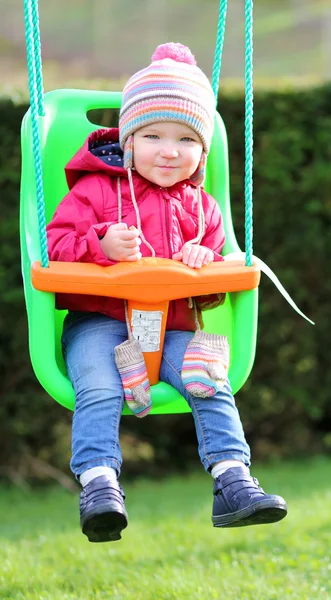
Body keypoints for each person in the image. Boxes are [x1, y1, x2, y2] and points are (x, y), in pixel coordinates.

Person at [47, 42, 287, 543]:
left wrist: (205, 267)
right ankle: (99, 484)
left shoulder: (205, 210)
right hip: (100, 321)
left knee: (209, 380)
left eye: (186, 139)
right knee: (97, 384)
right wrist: (99, 244)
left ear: (203, 151)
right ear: (128, 141)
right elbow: (52, 247)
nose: (169, 150)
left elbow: (217, 290)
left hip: (174, 326)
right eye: (152, 135)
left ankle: (233, 482)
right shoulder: (93, 191)